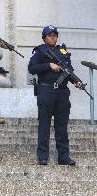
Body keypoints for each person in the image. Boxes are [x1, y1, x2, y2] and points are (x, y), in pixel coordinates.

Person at [28, 25, 81, 166]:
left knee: (62, 126)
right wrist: (48, 66)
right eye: (50, 35)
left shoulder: (62, 51)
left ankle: (63, 157)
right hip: (46, 91)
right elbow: (32, 68)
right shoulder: (39, 51)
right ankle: (43, 156)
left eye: (55, 35)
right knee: (44, 124)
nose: (53, 37)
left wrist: (76, 81)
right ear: (44, 37)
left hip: (62, 93)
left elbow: (68, 70)